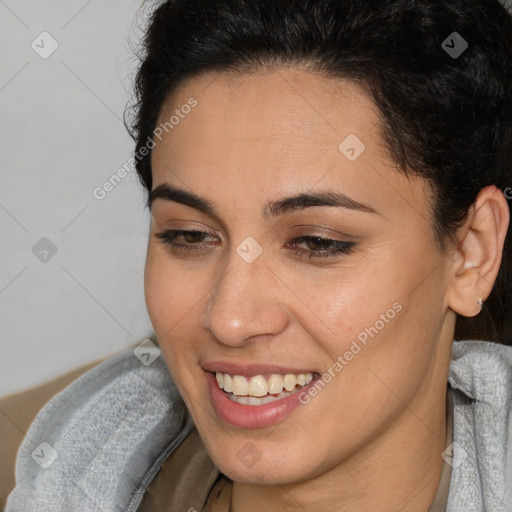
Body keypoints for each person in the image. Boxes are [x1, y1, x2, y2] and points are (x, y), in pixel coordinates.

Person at [3, 0, 512, 510]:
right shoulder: (54, 471)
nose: (230, 318)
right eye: (189, 235)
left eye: (317, 243)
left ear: (471, 253)